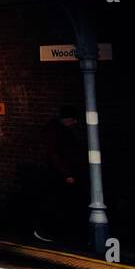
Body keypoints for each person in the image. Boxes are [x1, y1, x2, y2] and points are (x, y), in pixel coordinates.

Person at [39, 105, 84, 244]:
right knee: (57, 203)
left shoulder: (60, 130)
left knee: (60, 203)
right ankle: (47, 231)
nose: (74, 123)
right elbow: (54, 155)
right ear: (67, 119)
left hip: (62, 173)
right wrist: (67, 174)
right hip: (59, 174)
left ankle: (55, 231)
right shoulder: (56, 131)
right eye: (73, 120)